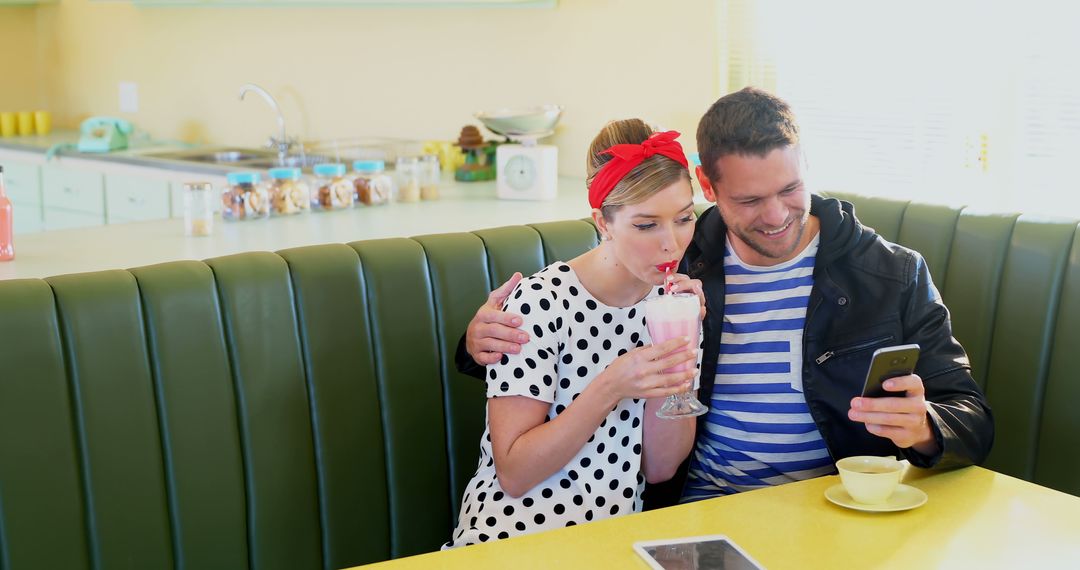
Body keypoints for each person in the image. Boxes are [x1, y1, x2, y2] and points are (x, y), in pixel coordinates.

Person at [457, 87, 994, 508]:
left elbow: (971, 417)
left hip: (836, 503)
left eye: (790, 189)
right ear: (707, 189)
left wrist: (926, 427)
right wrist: (475, 343)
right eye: (750, 199)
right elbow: (580, 312)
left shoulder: (890, 273)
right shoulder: (678, 262)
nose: (777, 215)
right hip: (703, 506)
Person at [445, 120, 706, 548]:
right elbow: (514, 473)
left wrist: (679, 351)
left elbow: (659, 467)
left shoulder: (674, 306)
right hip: (512, 541)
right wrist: (611, 386)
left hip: (610, 542)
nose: (672, 245)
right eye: (646, 225)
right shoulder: (540, 302)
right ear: (603, 222)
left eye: (683, 218)